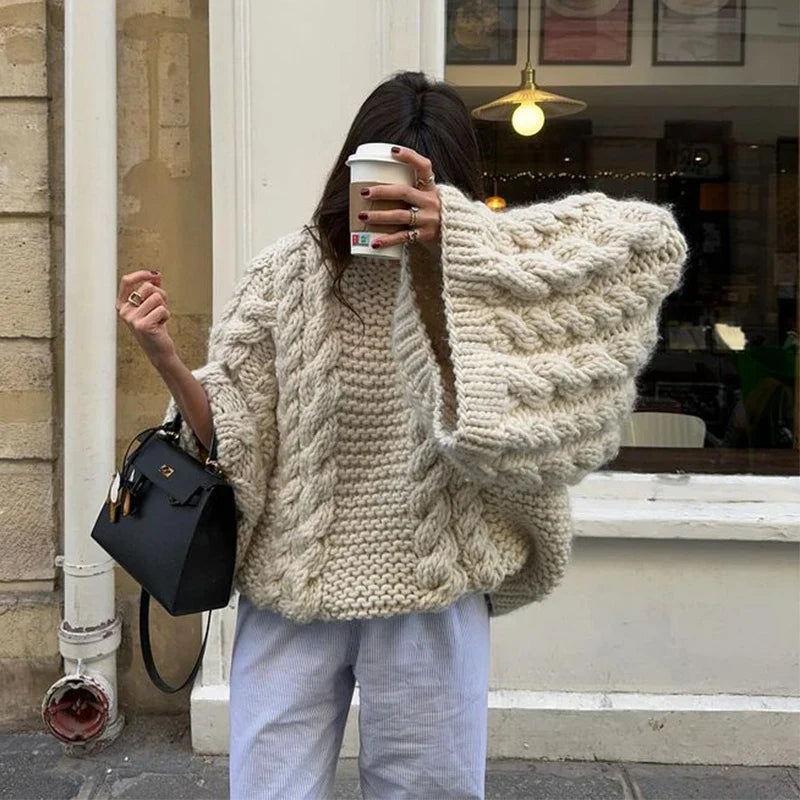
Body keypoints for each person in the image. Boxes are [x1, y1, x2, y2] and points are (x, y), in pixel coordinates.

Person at [116, 71, 686, 800]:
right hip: (294, 586)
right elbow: (233, 434)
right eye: (378, 175)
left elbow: (647, 247)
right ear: (349, 170)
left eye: (421, 179)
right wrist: (166, 355)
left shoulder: (490, 275)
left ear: (451, 179)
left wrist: (459, 236)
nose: (392, 199)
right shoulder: (290, 274)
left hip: (432, 590)